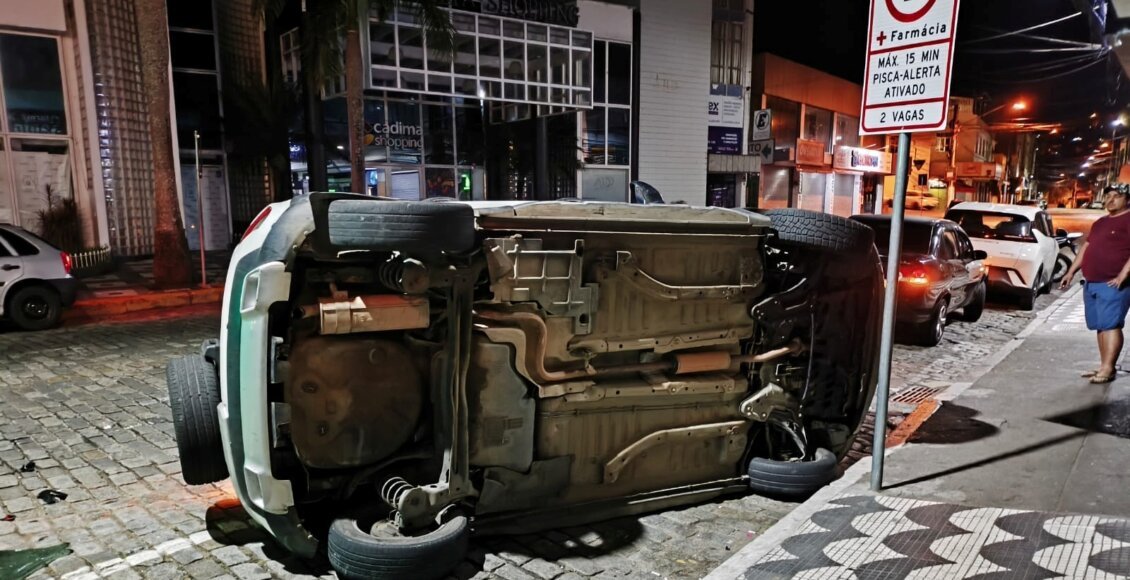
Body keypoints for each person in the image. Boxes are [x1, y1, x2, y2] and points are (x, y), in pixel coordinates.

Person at [1060, 187, 1130, 383]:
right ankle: (1104, 366)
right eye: (1107, 196)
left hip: (1113, 282)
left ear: (1127, 200)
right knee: (1100, 326)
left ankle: (1108, 368)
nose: (1111, 200)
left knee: (1111, 325)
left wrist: (1122, 275)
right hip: (1092, 281)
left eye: (1117, 196)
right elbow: (1087, 247)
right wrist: (1071, 271)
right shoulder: (1100, 223)